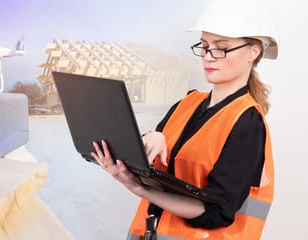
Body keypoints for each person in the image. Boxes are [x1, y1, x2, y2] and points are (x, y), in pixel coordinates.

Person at [91, 1, 277, 239]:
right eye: (205, 46)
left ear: (253, 51)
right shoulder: (188, 103)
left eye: (221, 48)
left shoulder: (247, 123)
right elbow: (161, 170)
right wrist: (151, 138)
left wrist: (138, 188)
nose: (209, 57)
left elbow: (215, 212)